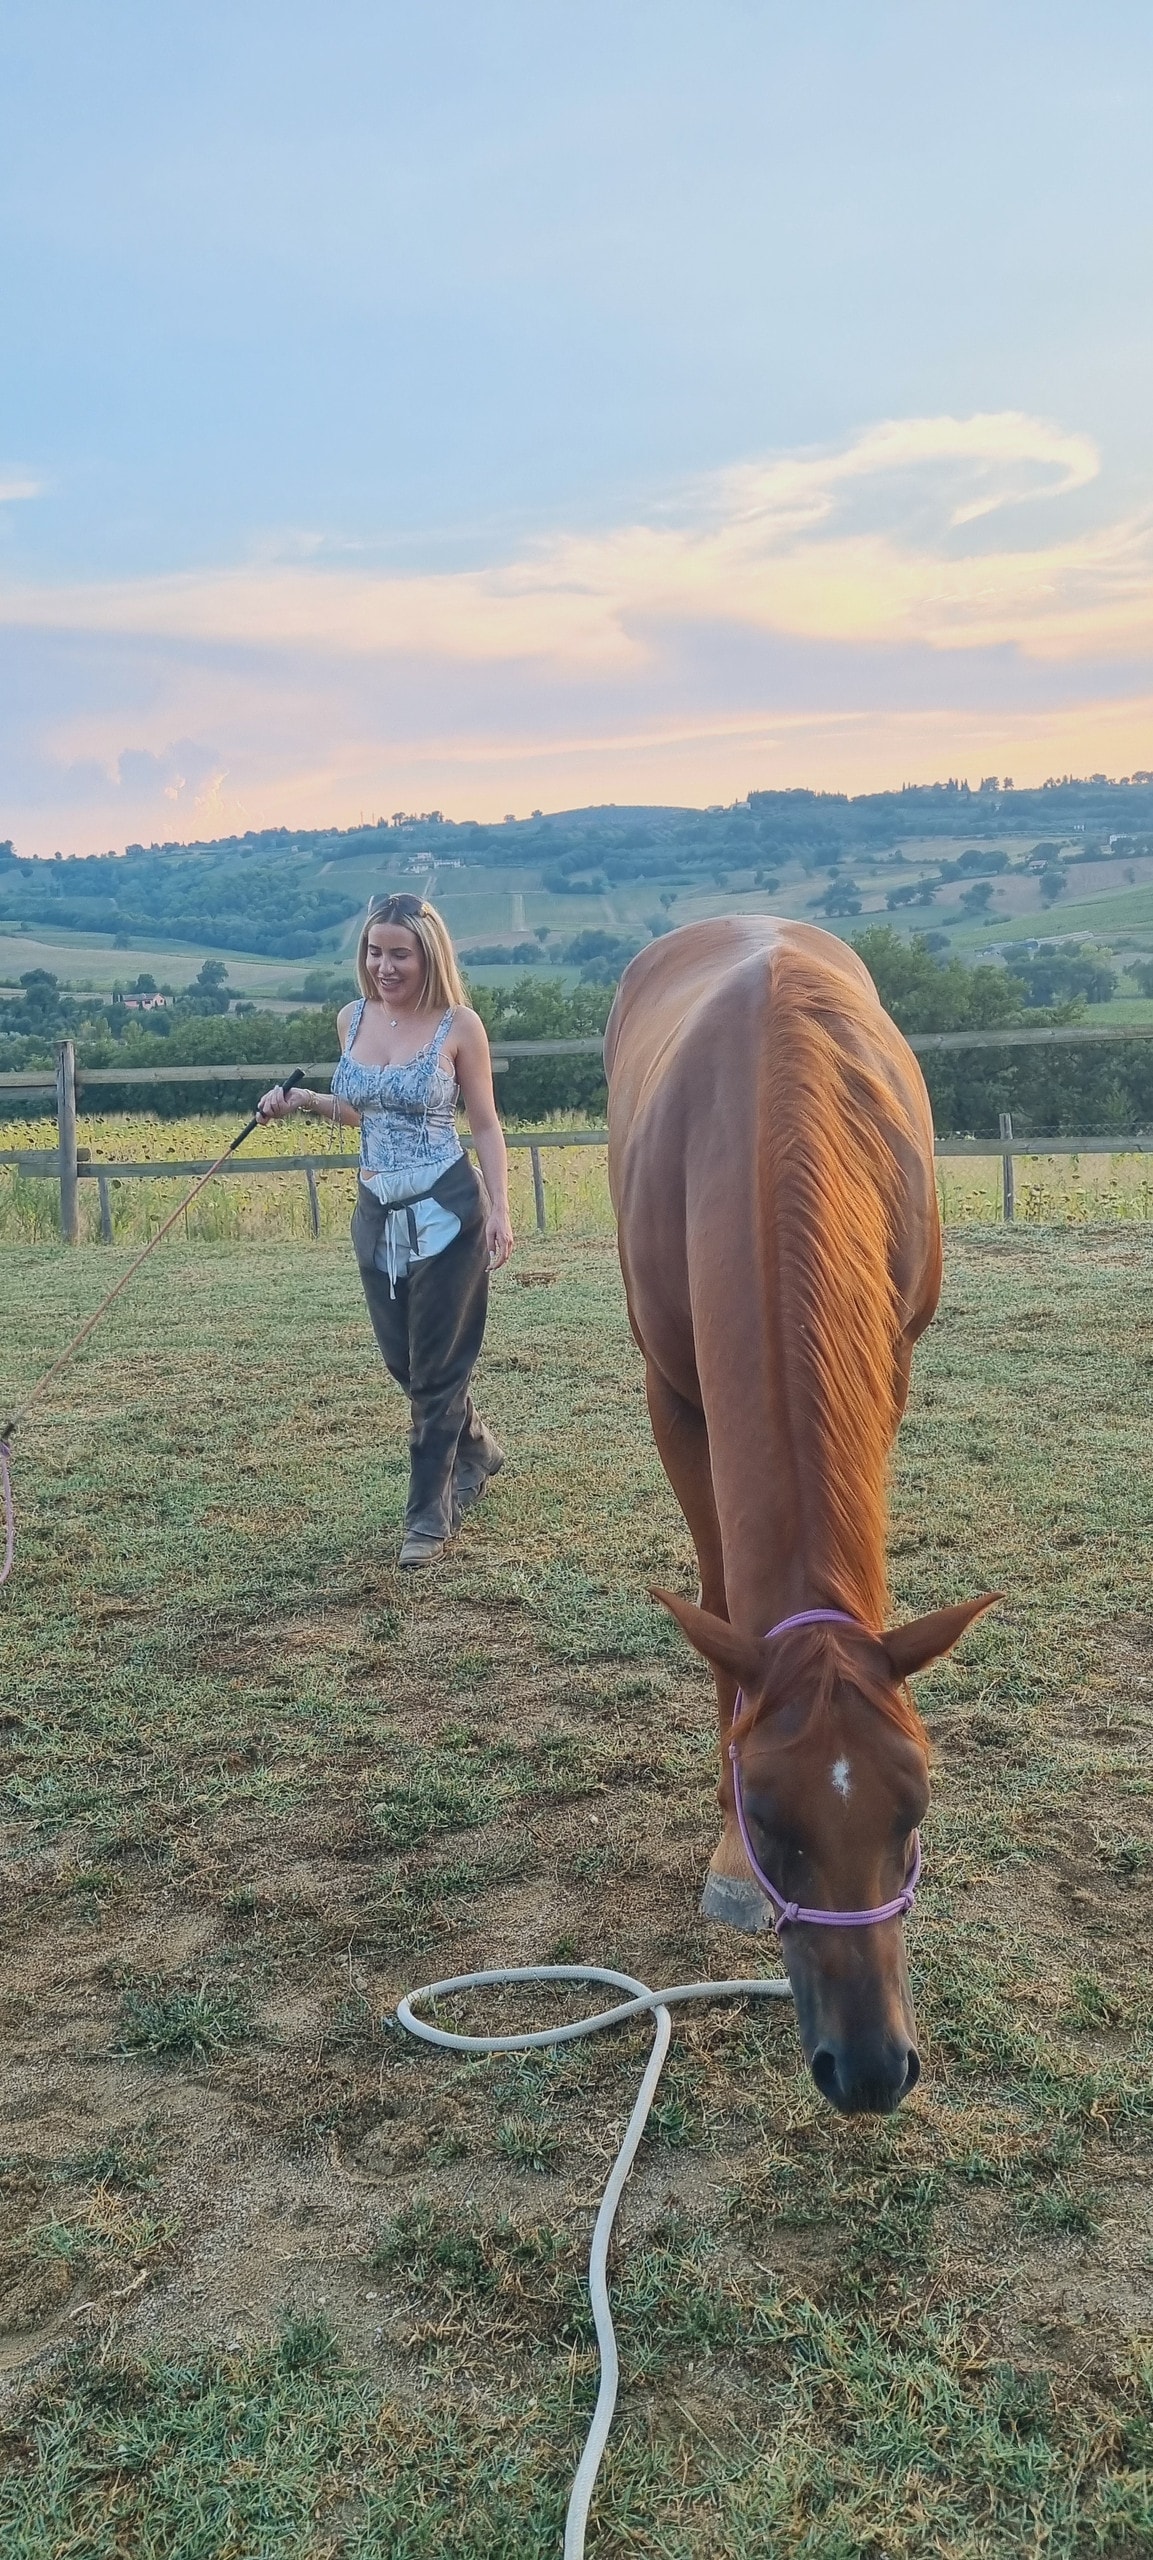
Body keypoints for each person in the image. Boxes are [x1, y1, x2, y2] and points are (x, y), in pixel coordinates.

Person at [259, 893, 513, 1566]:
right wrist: (303, 1101)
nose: (384, 966)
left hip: (445, 1206)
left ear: (427, 954)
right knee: (403, 1361)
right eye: (375, 952)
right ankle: (477, 1445)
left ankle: (427, 1518)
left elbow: (484, 1123)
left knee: (435, 1368)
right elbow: (362, 1110)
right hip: (376, 1210)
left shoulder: (459, 1026)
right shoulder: (352, 1017)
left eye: (399, 953)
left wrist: (503, 1211)